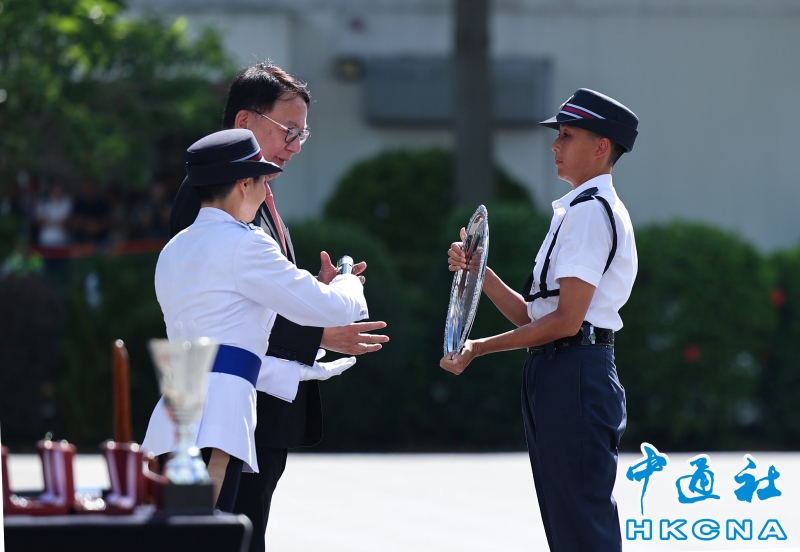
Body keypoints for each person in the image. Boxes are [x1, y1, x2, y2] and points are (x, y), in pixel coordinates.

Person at [169, 63, 389, 550]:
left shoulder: (239, 206)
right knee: (227, 534)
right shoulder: (214, 206)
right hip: (230, 403)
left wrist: (308, 296)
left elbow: (241, 295)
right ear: (245, 123)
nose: (295, 146)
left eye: (302, 135)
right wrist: (329, 310)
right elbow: (225, 309)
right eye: (289, 131)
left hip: (225, 401)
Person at [441, 88, 639, 552]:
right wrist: (480, 272)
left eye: (567, 136)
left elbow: (566, 322)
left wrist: (478, 348)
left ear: (601, 146)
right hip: (564, 370)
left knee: (581, 528)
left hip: (575, 371)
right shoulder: (578, 209)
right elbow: (535, 315)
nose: (555, 146)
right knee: (570, 524)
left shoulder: (588, 214)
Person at [142, 128, 369, 509]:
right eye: (262, 181)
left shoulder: (174, 249)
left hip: (174, 411)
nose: (266, 192)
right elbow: (333, 308)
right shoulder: (246, 243)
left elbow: (229, 339)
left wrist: (304, 369)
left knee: (178, 530)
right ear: (244, 184)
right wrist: (347, 282)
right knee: (207, 531)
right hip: (219, 418)